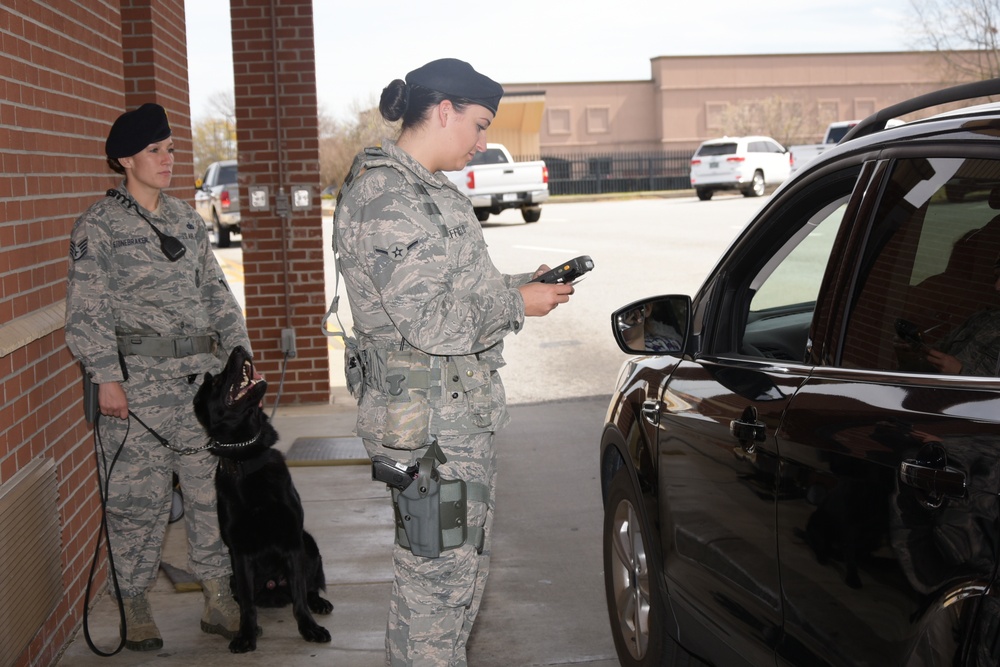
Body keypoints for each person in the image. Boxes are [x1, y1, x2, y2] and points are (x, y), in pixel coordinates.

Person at [332, 58, 574, 665]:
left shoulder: (428, 191)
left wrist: (527, 284)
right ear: (444, 112)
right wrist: (518, 304)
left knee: (458, 579)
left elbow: (466, 294)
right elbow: (431, 320)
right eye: (480, 124)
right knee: (435, 586)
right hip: (426, 431)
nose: (484, 140)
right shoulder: (385, 195)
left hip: (453, 418)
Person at [65, 103, 250, 651]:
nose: (168, 160)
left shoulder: (186, 220)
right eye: (155, 151)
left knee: (209, 496)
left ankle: (219, 597)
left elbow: (216, 292)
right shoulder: (96, 227)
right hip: (136, 392)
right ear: (125, 159)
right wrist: (106, 378)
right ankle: (135, 604)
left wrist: (238, 356)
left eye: (171, 150)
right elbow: (86, 311)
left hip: (198, 390)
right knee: (136, 506)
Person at [923, 256, 1000, 376]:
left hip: (964, 393)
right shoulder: (983, 318)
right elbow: (938, 352)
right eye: (996, 278)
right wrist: (915, 353)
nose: (997, 286)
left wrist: (960, 372)